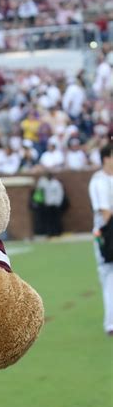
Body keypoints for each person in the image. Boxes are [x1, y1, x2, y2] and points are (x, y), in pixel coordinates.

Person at [88, 143, 113, 335]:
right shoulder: (99, 181)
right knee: (108, 275)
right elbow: (105, 212)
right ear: (106, 158)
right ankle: (110, 323)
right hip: (105, 233)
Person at [35, 172, 66, 236]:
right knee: (49, 220)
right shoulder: (44, 183)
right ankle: (50, 232)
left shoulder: (56, 183)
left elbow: (60, 193)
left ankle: (57, 232)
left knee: (56, 219)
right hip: (48, 204)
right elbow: (38, 188)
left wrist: (58, 203)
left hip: (55, 204)